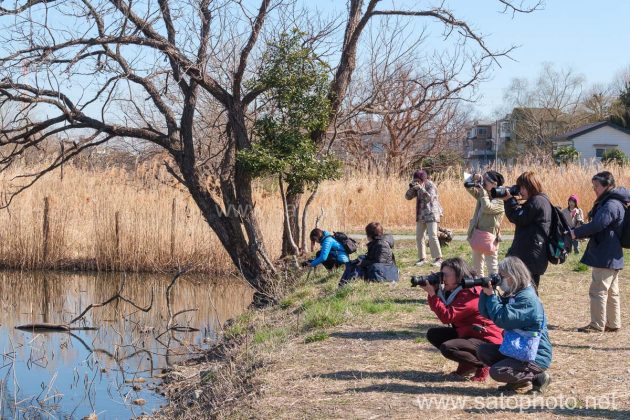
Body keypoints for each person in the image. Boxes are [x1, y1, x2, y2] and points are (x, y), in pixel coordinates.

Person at [477, 257, 552, 394]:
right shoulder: (514, 294)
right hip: (517, 349)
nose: (499, 279)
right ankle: (517, 381)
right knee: (483, 351)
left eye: (502, 276)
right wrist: (486, 293)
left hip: (534, 354)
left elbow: (502, 319)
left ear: (514, 275)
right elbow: (487, 313)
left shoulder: (527, 299)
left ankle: (538, 376)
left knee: (497, 372)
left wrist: (492, 296)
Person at [422, 258, 503, 382]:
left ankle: (483, 364)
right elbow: (445, 311)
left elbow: (447, 316)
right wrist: (436, 290)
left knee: (448, 347)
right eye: (441, 274)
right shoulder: (455, 291)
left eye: (446, 275)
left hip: (486, 340)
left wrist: (433, 295)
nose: (443, 279)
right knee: (434, 334)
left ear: (459, 276)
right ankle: (468, 364)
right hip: (468, 333)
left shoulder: (471, 292)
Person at [571, 171, 630, 333]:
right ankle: (613, 323)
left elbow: (598, 224)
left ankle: (597, 325)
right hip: (612, 253)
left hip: (606, 253)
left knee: (598, 290)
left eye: (596, 186)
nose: (594, 189)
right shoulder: (617, 202)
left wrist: (576, 233)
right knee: (612, 292)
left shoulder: (610, 204)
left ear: (608, 186)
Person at [500, 171, 552, 288]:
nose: (520, 191)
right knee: (526, 290)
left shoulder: (537, 201)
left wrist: (509, 200)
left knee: (527, 291)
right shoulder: (540, 200)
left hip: (530, 256)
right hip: (532, 254)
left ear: (530, 186)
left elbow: (519, 218)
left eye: (522, 188)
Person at [466, 171, 505, 276]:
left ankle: (493, 289)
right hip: (477, 234)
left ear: (494, 184)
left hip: (490, 238)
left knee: (492, 269)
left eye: (486, 180)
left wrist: (482, 192)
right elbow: (467, 185)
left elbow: (487, 208)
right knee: (477, 268)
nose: (483, 182)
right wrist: (474, 177)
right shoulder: (484, 194)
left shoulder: (500, 198)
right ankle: (479, 289)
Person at [339, 222, 399, 287]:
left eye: (367, 234)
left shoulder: (381, 244)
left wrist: (363, 263)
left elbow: (379, 263)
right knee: (354, 262)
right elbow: (374, 258)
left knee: (356, 267)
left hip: (383, 273)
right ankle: (343, 285)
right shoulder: (377, 242)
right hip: (380, 269)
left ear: (370, 235)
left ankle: (344, 285)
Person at [405, 170, 443, 267]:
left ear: (424, 179)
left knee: (432, 236)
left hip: (431, 214)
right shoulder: (417, 186)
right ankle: (422, 258)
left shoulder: (431, 185)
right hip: (421, 215)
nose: (417, 182)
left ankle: (438, 259)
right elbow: (407, 197)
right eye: (415, 180)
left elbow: (429, 199)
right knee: (419, 237)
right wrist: (412, 188)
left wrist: (421, 189)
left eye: (418, 180)